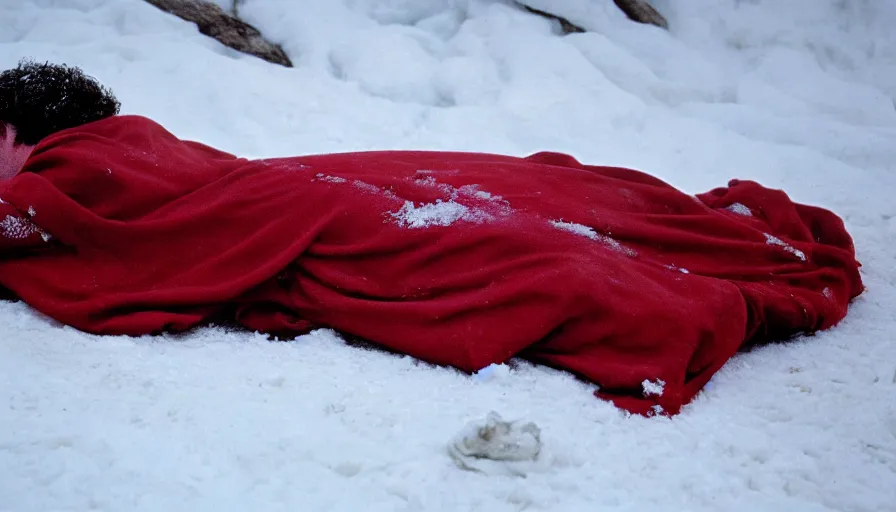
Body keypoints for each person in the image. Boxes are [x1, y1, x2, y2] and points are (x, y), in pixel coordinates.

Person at [0, 60, 863, 416]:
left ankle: (654, 291)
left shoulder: (77, 166)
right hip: (288, 193)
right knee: (492, 212)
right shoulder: (129, 143)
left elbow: (58, 229)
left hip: (296, 204)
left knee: (503, 251)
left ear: (18, 132)